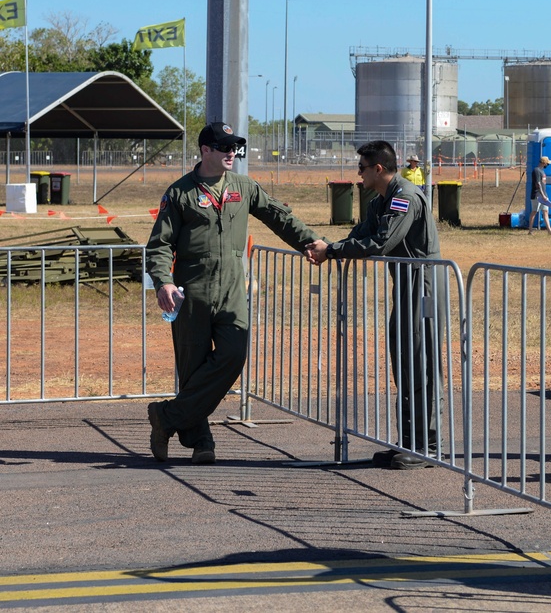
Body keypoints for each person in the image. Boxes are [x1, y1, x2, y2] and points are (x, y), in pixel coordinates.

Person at [145, 122, 327, 465]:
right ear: (206, 150)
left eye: (235, 147)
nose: (232, 153)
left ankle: (166, 417)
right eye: (225, 146)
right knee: (193, 366)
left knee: (233, 354)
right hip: (191, 291)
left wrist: (309, 240)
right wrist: (162, 281)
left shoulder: (244, 187)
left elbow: (278, 216)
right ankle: (201, 440)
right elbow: (159, 245)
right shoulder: (181, 192)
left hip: (231, 289)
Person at [311, 140, 445, 471]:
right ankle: (410, 441)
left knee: (420, 359)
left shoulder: (404, 197)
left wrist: (333, 252)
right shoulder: (380, 201)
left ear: (378, 169)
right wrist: (331, 247)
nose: (359, 174)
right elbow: (363, 233)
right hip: (405, 281)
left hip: (423, 283)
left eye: (362, 168)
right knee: (404, 357)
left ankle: (428, 445)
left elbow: (382, 242)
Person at [527, 155, 551, 235]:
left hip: (543, 195)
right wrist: (543, 195)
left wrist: (545, 195)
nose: (548, 165)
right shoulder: (536, 171)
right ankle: (530, 230)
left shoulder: (542, 171)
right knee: (534, 211)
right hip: (537, 195)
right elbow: (538, 184)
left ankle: (550, 231)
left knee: (545, 211)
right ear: (543, 163)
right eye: (547, 163)